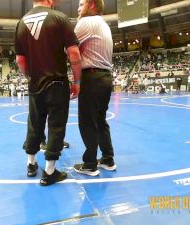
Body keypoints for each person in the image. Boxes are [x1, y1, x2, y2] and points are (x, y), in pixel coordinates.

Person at [15, 0, 81, 185]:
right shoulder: (59, 18)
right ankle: (50, 171)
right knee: (56, 125)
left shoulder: (21, 22)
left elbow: (20, 60)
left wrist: (31, 75)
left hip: (35, 83)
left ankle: (31, 164)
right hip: (56, 82)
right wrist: (77, 81)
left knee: (34, 123)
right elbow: (74, 54)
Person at [73, 0, 116, 177]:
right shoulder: (103, 24)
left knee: (87, 122)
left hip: (91, 77)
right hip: (105, 77)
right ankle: (107, 158)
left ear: (91, 4)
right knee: (100, 120)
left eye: (81, 3)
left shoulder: (86, 23)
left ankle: (90, 164)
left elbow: (68, 48)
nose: (78, 7)